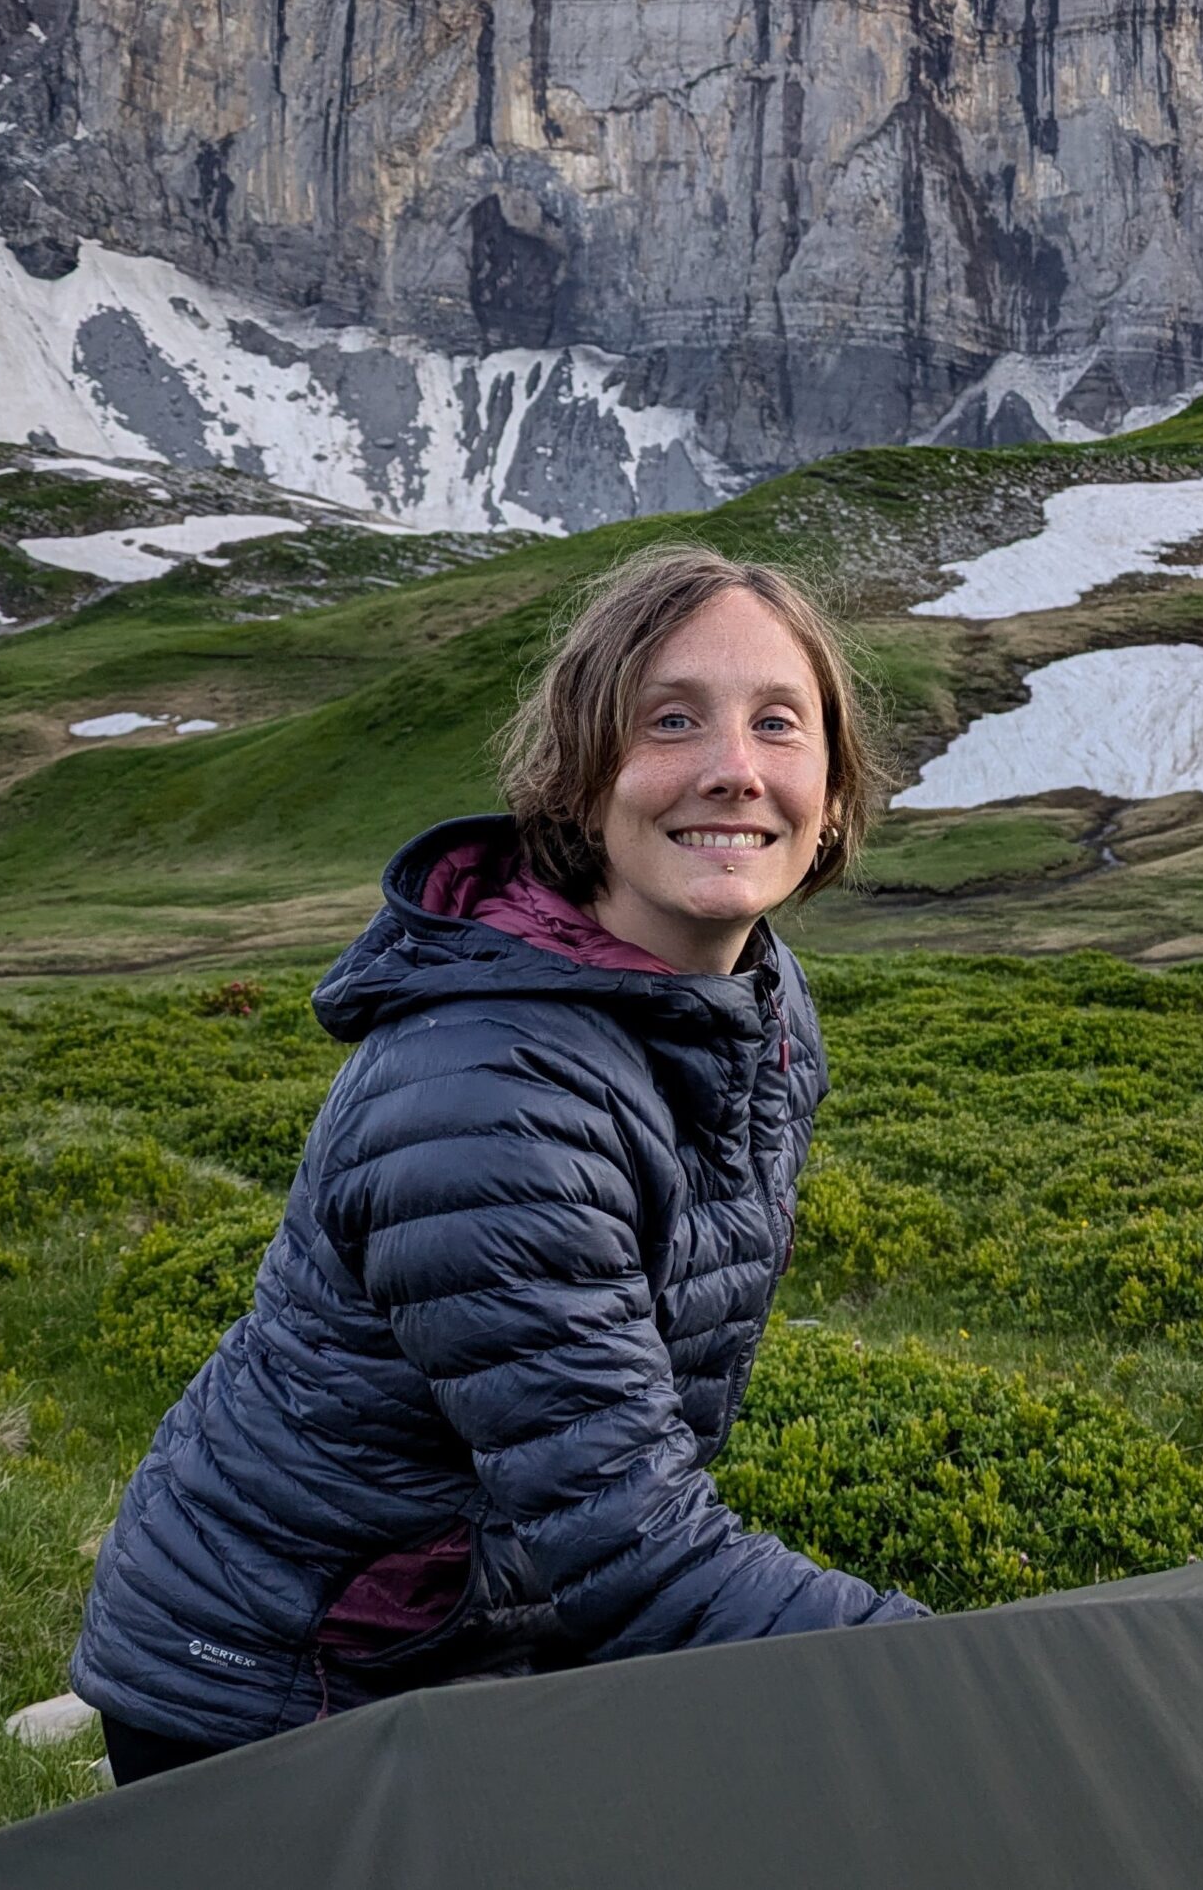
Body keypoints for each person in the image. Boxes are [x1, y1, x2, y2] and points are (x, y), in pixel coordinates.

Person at [70, 544, 927, 1786]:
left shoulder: (757, 1004)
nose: (733, 769)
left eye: (778, 725)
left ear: (835, 797)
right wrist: (963, 1671)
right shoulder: (491, 1097)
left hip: (481, 1625)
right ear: (578, 783)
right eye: (669, 720)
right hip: (281, 1688)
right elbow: (635, 1552)